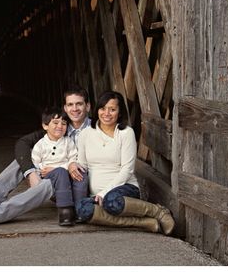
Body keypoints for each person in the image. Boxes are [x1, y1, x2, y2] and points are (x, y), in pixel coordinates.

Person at [0, 85, 91, 226]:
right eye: (70, 105)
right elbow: (23, 143)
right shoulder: (60, 127)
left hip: (76, 184)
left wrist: (61, 168)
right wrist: (31, 172)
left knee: (45, 185)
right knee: (30, 155)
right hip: (53, 174)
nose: (74, 109)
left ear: (88, 106)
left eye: (79, 104)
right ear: (65, 108)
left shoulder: (95, 130)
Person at [75, 91, 175, 235]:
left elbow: (127, 170)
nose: (107, 113)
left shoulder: (126, 133)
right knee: (81, 209)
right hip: (96, 195)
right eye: (103, 108)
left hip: (124, 189)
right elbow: (82, 165)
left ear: (120, 112)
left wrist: (104, 192)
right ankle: (144, 223)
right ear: (97, 110)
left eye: (112, 109)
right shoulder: (85, 134)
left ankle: (158, 212)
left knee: (111, 201)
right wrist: (71, 165)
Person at [30, 107, 86, 225]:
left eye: (64, 123)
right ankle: (65, 211)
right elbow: (35, 164)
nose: (60, 126)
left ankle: (80, 208)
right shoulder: (40, 145)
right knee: (60, 172)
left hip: (68, 175)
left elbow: (73, 159)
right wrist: (49, 170)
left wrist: (70, 166)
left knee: (80, 172)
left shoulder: (68, 142)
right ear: (45, 126)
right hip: (50, 178)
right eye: (55, 123)